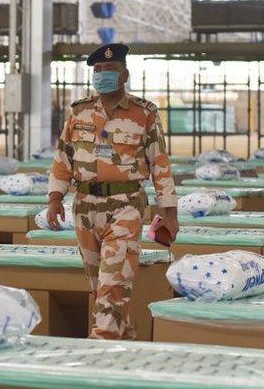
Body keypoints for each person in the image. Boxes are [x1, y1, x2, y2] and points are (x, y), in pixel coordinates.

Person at [46, 43, 179, 340]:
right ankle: (126, 342)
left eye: (110, 69)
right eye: (98, 70)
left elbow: (160, 163)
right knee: (102, 289)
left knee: (113, 284)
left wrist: (168, 212)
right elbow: (63, 158)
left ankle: (99, 352)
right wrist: (55, 198)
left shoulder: (144, 113)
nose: (103, 75)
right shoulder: (79, 112)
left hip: (125, 205)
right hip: (84, 207)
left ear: (124, 75)